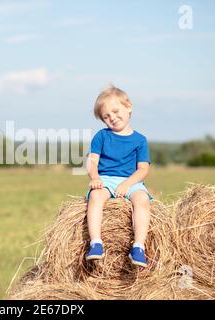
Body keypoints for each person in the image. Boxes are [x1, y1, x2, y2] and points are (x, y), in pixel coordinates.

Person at [85, 85, 153, 268]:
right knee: (96, 196)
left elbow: (143, 169)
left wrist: (128, 183)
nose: (112, 118)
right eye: (106, 117)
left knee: (142, 199)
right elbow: (91, 161)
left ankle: (139, 246)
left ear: (128, 107)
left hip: (132, 180)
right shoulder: (101, 136)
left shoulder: (140, 140)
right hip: (105, 178)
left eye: (115, 111)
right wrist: (95, 177)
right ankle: (96, 243)